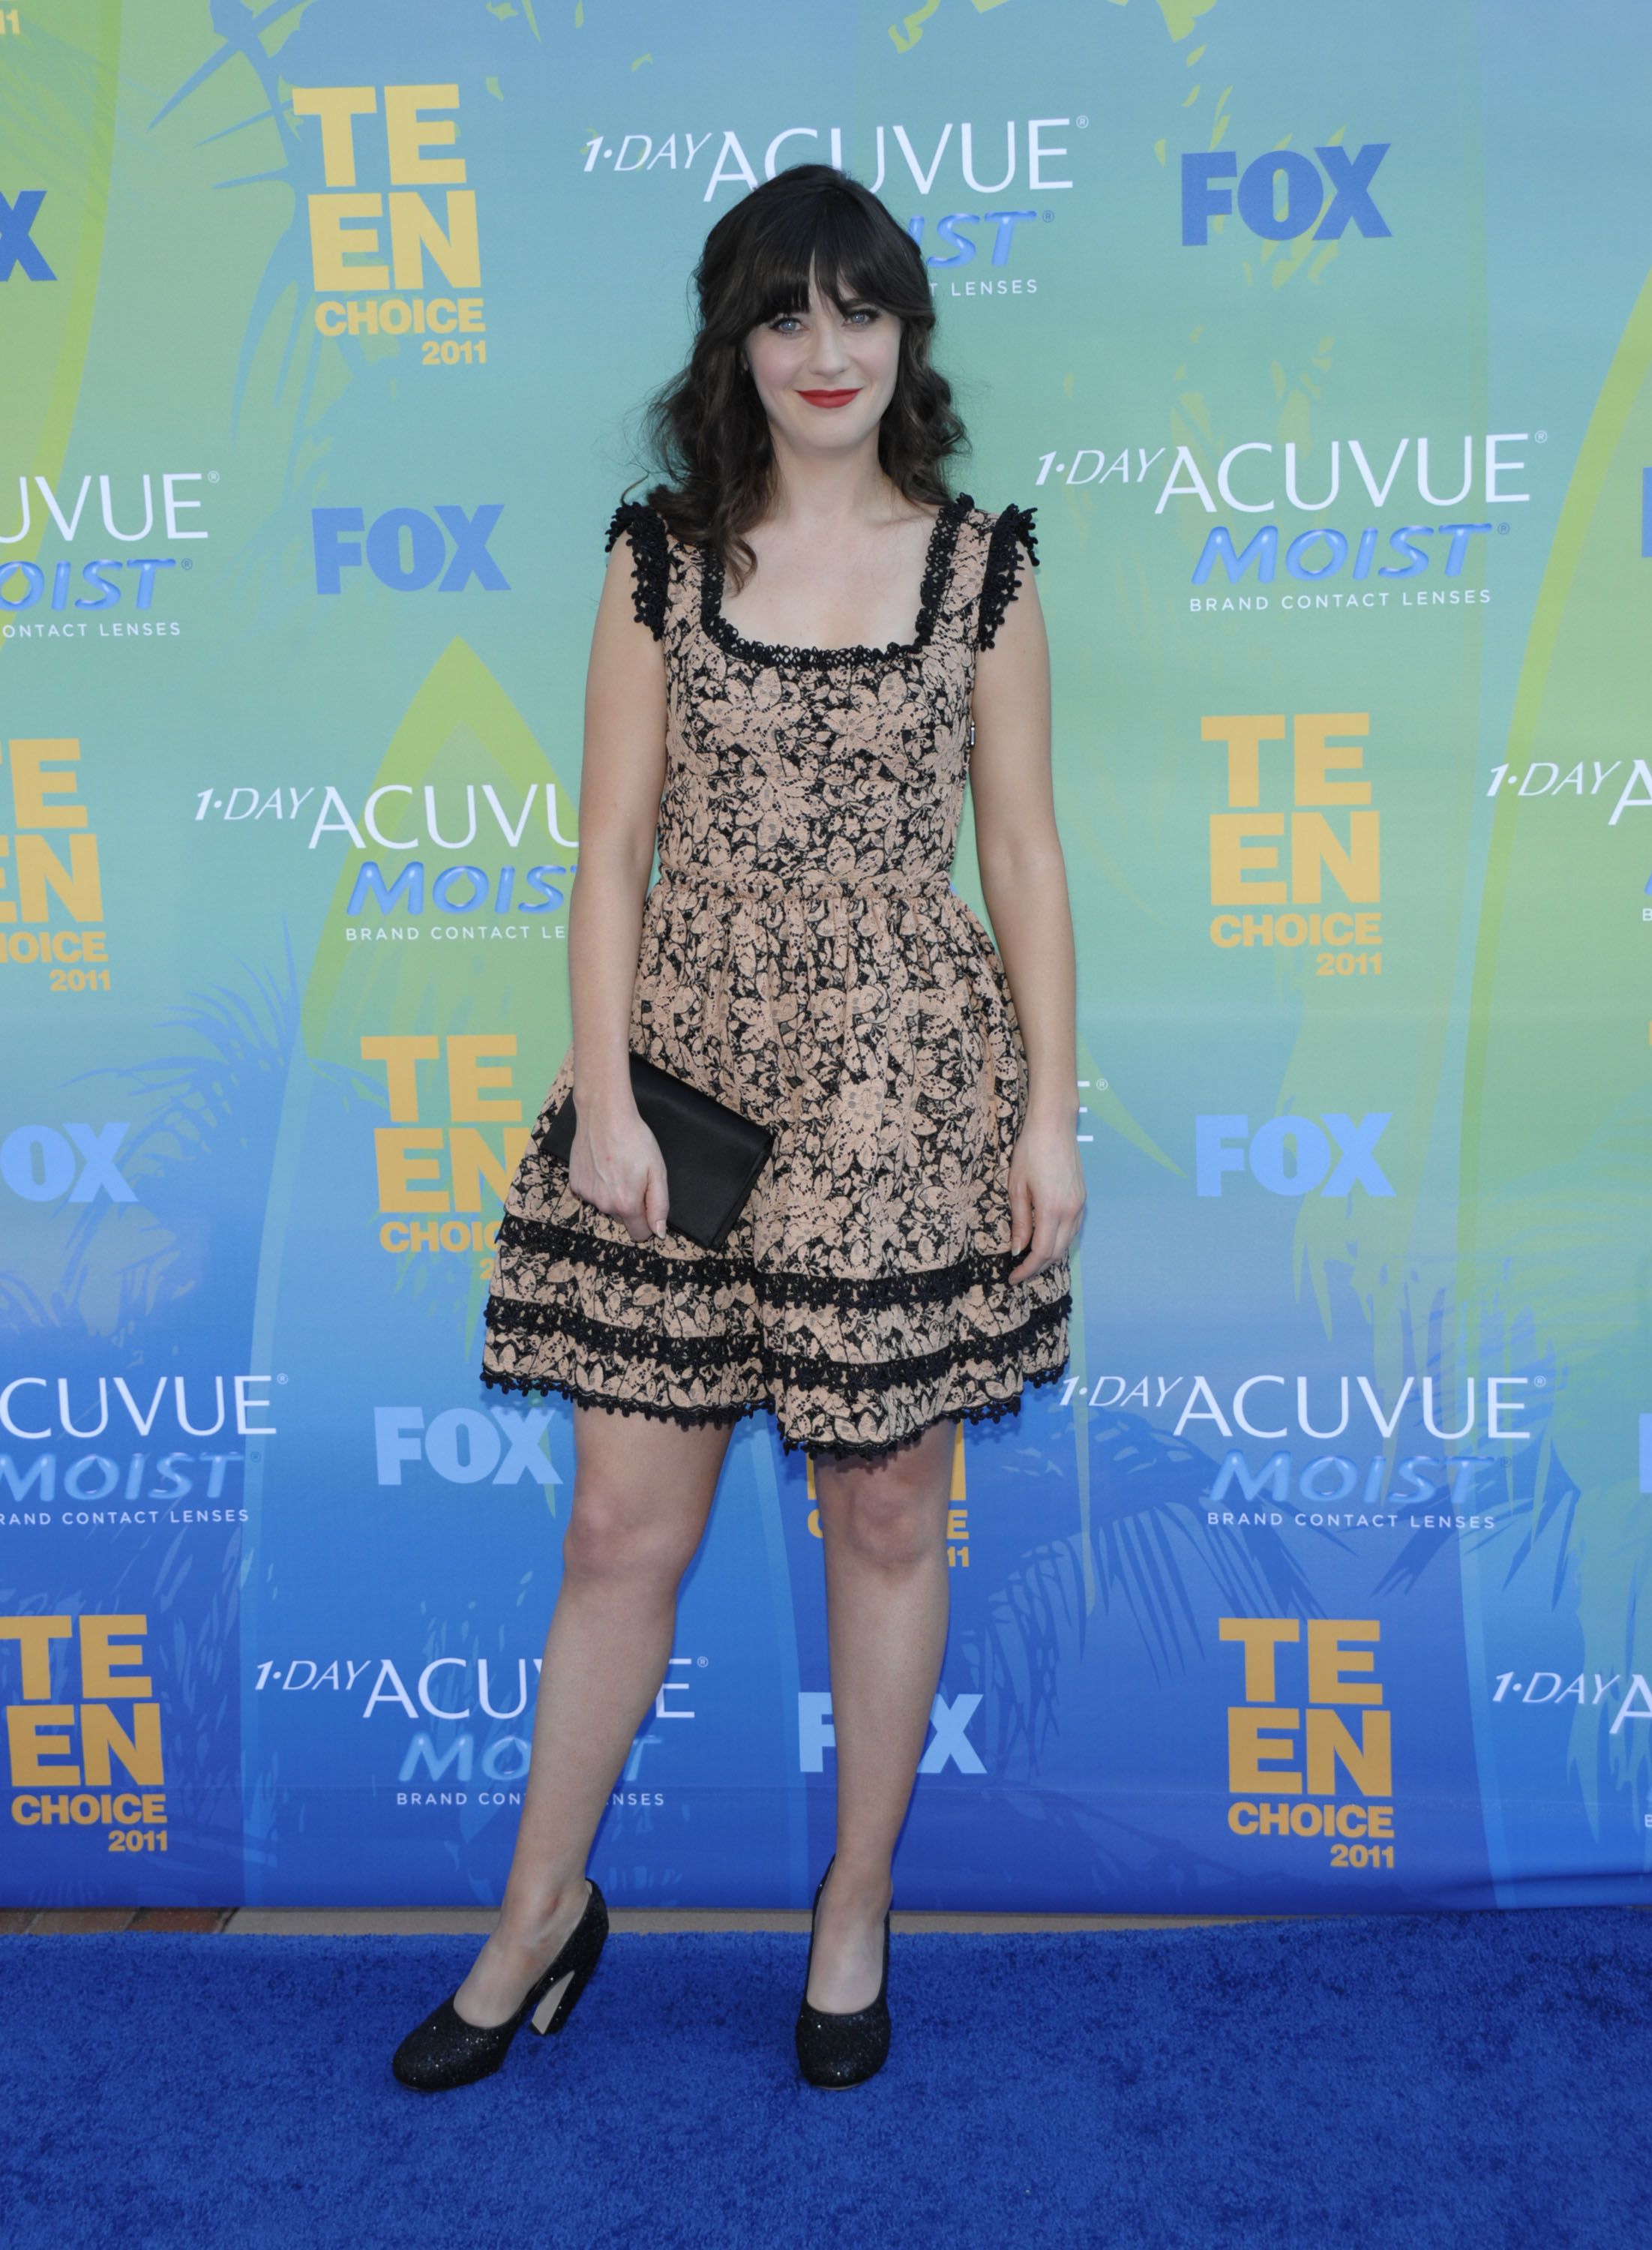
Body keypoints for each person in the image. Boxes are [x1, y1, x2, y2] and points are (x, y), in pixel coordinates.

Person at [391, 163, 1085, 2096]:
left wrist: (1048, 1119)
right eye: (786, 314)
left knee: (885, 1508)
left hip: (906, 1089)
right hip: (680, 1084)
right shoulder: (661, 558)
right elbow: (611, 846)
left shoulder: (983, 568)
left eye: (858, 310)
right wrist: (603, 1094)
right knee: (621, 1529)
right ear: (738, 346)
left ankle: (855, 1909)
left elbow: (1023, 856)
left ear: (906, 334)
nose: (825, 350)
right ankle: (537, 1918)